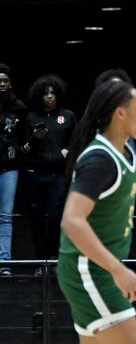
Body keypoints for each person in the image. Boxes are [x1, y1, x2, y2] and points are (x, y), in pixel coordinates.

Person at [57, 80, 136, 344]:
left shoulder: (127, 149)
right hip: (90, 272)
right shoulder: (99, 159)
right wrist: (117, 269)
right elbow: (72, 221)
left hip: (93, 270)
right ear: (120, 113)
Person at [22, 74, 76, 264]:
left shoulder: (67, 115)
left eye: (53, 93)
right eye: (46, 94)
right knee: (36, 219)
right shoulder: (31, 117)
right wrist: (34, 138)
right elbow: (23, 149)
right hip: (35, 174)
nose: (50, 97)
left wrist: (67, 150)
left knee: (56, 217)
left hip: (58, 175)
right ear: (39, 96)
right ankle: (40, 261)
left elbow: (76, 141)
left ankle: (51, 256)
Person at [0, 64, 25, 276]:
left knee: (6, 215)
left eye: (4, 80)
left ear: (10, 83)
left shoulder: (18, 107)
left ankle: (4, 261)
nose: (1, 84)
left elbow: (23, 136)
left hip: (9, 166)